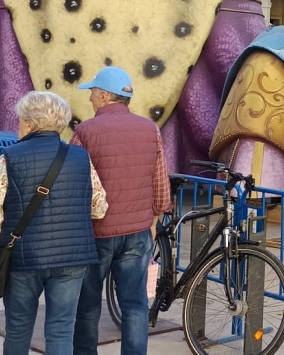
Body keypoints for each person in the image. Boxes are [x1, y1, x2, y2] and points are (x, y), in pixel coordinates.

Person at [0, 91, 107, 355]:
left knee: (18, 327)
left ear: (29, 122)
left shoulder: (10, 157)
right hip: (72, 256)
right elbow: (99, 207)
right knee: (61, 329)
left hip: (24, 258)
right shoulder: (80, 157)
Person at [72, 67, 171, 355]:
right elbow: (160, 181)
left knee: (88, 304)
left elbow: (74, 182)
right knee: (135, 305)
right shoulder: (149, 128)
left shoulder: (85, 131)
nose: (90, 98)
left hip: (96, 233)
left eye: (92, 93)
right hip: (138, 232)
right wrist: (154, 219)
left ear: (104, 96)